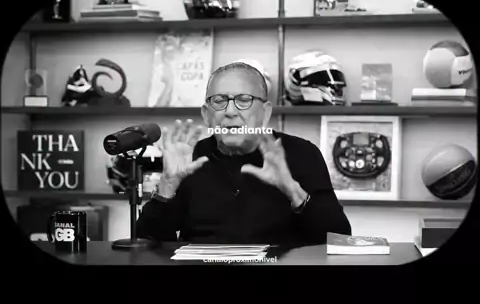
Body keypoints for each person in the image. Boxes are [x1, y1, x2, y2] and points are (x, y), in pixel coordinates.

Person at [136, 62, 352, 245]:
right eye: (219, 101)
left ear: (265, 112)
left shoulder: (301, 153)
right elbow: (147, 245)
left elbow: (339, 240)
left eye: (244, 100)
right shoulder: (190, 157)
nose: (230, 112)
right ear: (206, 115)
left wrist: (293, 190)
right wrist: (168, 185)